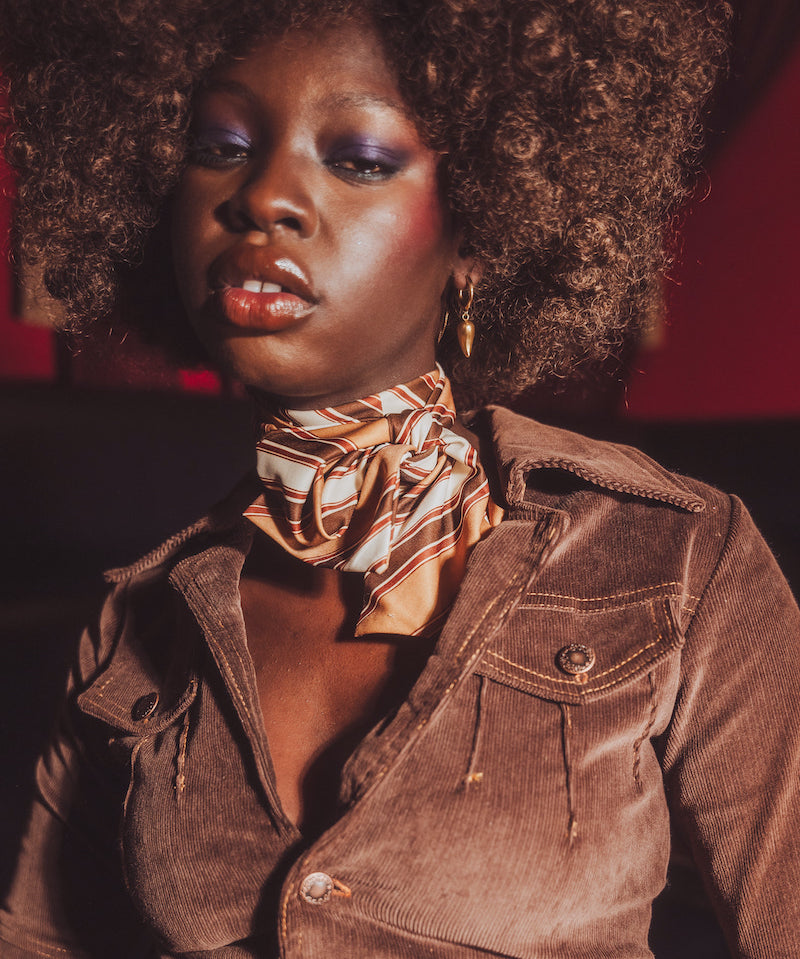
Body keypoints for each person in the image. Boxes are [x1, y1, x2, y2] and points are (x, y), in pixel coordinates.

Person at [1, 0, 798, 957]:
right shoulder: (137, 624)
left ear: (479, 236)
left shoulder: (674, 557)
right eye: (219, 144)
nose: (262, 197)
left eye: (360, 159)